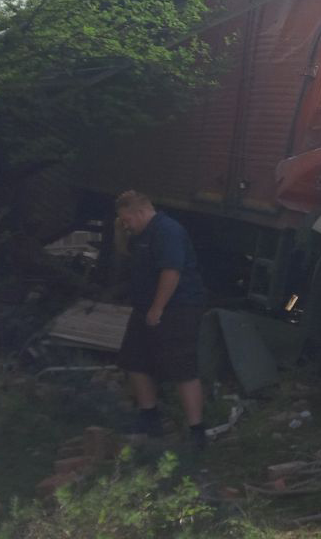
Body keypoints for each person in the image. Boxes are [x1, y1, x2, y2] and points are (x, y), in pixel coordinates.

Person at [113, 190, 208, 450]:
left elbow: (171, 272)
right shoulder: (141, 235)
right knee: (134, 360)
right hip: (145, 308)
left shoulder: (168, 231)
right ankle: (149, 417)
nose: (125, 225)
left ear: (141, 212)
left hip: (178, 308)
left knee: (182, 367)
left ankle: (197, 431)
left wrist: (157, 309)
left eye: (127, 220)